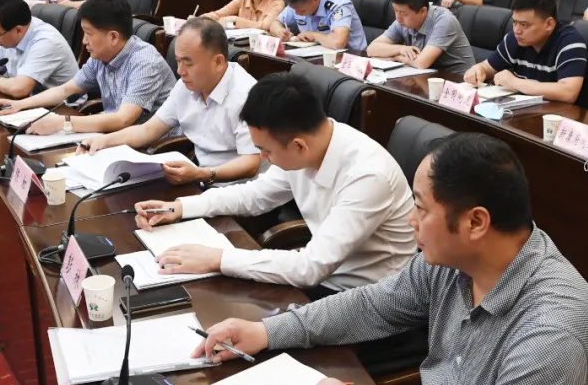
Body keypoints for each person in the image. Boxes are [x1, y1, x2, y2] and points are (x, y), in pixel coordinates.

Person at [193, 133, 588, 385]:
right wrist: (268, 331)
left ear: (475, 223)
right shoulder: (455, 263)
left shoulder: (552, 332)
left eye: (421, 207)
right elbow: (373, 305)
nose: (411, 221)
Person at [135, 71, 415, 291]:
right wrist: (181, 207)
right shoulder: (309, 143)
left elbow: (309, 268)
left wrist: (217, 258)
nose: (262, 157)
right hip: (326, 276)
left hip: (369, 297)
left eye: (265, 150)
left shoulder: (367, 176)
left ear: (298, 146)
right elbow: (256, 195)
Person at [81, 18, 261, 185]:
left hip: (240, 191)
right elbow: (148, 130)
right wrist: (104, 141)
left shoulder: (246, 96)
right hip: (200, 181)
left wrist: (202, 174)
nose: (180, 71)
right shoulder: (185, 85)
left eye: (188, 63)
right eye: (178, 61)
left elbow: (251, 163)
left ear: (218, 62)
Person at [0, 0, 175, 134]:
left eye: (89, 34)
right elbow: (65, 90)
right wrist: (20, 105)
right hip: (113, 135)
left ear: (113, 37)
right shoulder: (100, 56)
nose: (84, 41)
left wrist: (63, 123)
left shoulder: (145, 62)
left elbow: (123, 119)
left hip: (153, 147)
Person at [464, 0, 588, 107]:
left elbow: (568, 93)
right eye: (515, 23)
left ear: (549, 24)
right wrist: (478, 69)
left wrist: (515, 82)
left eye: (524, 25)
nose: (517, 30)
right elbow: (487, 67)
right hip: (530, 112)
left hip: (571, 119)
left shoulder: (570, 42)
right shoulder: (515, 39)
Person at [367, 0, 475, 75]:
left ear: (423, 11)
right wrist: (400, 49)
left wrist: (395, 57)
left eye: (403, 13)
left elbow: (421, 62)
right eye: (395, 10)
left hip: (458, 82)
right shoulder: (402, 21)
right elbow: (372, 49)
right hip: (427, 77)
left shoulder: (444, 20)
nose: (398, 17)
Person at [270, 0, 367, 50]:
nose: (297, 13)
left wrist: (314, 35)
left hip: (351, 57)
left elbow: (338, 42)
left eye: (302, 11)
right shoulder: (298, 2)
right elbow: (275, 23)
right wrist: (279, 31)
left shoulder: (338, 4)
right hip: (317, 54)